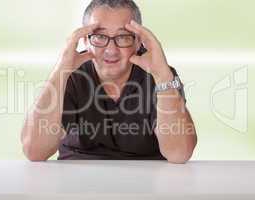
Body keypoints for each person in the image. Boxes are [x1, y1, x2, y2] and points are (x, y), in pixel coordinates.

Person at [21, 0, 197, 163]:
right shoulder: (71, 75)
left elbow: (179, 153)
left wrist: (163, 76)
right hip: (77, 182)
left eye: (123, 37)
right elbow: (34, 151)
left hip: (145, 184)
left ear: (138, 41)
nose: (111, 50)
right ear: (85, 40)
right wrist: (60, 71)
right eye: (100, 37)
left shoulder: (159, 75)